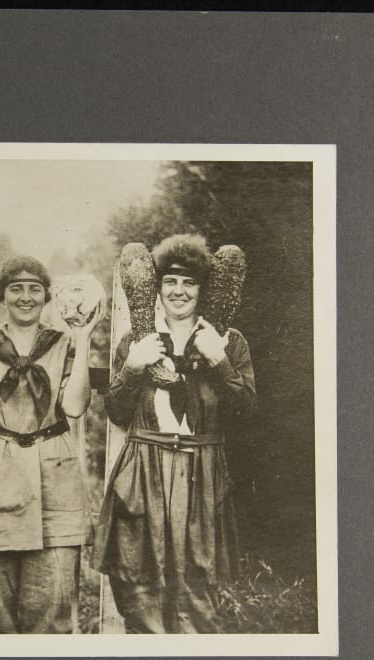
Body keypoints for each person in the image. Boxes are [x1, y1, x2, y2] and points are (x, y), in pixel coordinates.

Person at [92, 234, 256, 633]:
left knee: (198, 592)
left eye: (189, 282)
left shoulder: (228, 342)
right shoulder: (137, 341)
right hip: (144, 469)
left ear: (203, 289)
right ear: (157, 287)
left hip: (202, 470)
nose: (179, 291)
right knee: (140, 586)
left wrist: (218, 362)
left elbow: (247, 412)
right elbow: (116, 413)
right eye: (170, 281)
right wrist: (132, 368)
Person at [0, 256, 103, 634]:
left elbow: (75, 406)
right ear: (2, 296)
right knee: (0, 616)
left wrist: (83, 337)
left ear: (47, 297)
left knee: (53, 615)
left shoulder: (63, 344)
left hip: (55, 478)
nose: (25, 297)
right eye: (16, 289)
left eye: (34, 288)